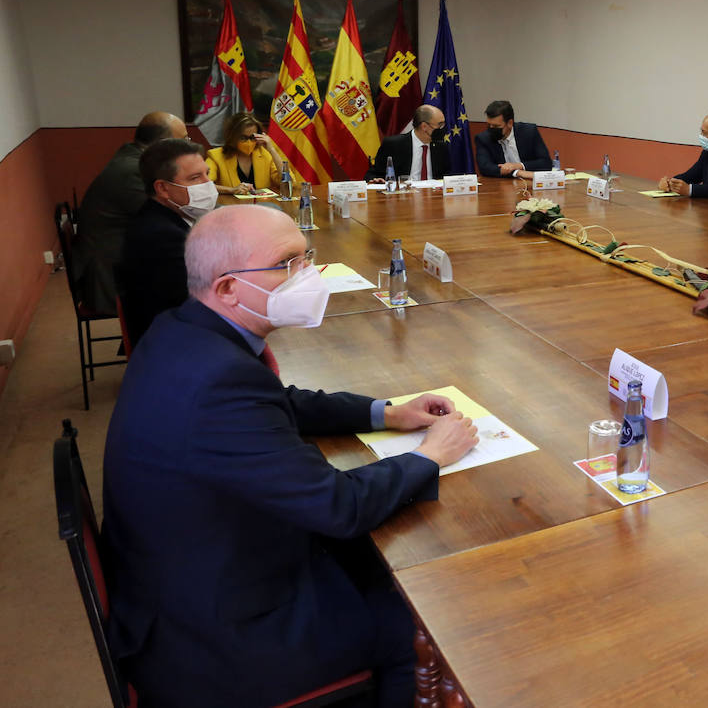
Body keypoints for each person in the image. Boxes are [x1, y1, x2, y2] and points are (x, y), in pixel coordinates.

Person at [102, 205, 480, 708]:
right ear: (229, 288)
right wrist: (431, 456)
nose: (308, 276)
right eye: (288, 263)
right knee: (416, 623)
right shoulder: (218, 384)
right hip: (214, 638)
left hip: (187, 574)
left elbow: (281, 401)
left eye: (307, 259)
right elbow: (337, 507)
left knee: (378, 568)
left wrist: (387, 413)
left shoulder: (184, 329)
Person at [73, 111, 187, 315]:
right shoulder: (133, 170)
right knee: (187, 288)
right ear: (164, 144)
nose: (188, 146)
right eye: (184, 140)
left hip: (121, 260)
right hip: (109, 276)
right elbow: (163, 217)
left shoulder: (134, 158)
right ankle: (150, 343)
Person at [115, 138, 215, 349]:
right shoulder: (162, 236)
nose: (208, 184)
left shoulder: (163, 217)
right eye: (195, 177)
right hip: (172, 345)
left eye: (207, 174)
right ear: (163, 188)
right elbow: (194, 305)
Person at [204, 111, 293, 195]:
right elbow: (204, 186)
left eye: (252, 137)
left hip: (262, 207)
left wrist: (272, 150)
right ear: (232, 137)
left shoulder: (265, 154)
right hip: (231, 206)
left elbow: (288, 183)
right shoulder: (216, 156)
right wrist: (231, 190)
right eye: (243, 138)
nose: (249, 142)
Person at [366, 104, 453, 182]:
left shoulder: (441, 147)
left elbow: (446, 176)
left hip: (433, 196)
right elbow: (373, 174)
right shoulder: (394, 144)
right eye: (440, 125)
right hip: (402, 195)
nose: (442, 128)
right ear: (424, 126)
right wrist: (376, 179)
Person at [473, 100, 552, 178]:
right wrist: (517, 172)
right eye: (489, 125)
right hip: (501, 185)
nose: (491, 129)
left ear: (510, 123)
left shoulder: (529, 132)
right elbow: (485, 167)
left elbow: (546, 163)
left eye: (496, 126)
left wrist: (519, 166)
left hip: (529, 183)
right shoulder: (483, 138)